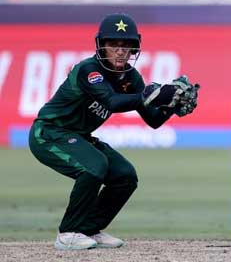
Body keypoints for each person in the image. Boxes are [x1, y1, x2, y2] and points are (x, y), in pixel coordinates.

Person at [28, 13, 200, 250]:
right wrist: (151, 95)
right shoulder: (88, 70)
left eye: (126, 45)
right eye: (114, 45)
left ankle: (88, 229)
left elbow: (153, 120)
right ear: (102, 46)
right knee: (94, 166)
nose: (120, 51)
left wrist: (172, 106)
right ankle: (68, 233)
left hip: (79, 137)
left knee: (124, 175)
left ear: (134, 49)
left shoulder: (131, 77)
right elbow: (111, 101)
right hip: (48, 133)